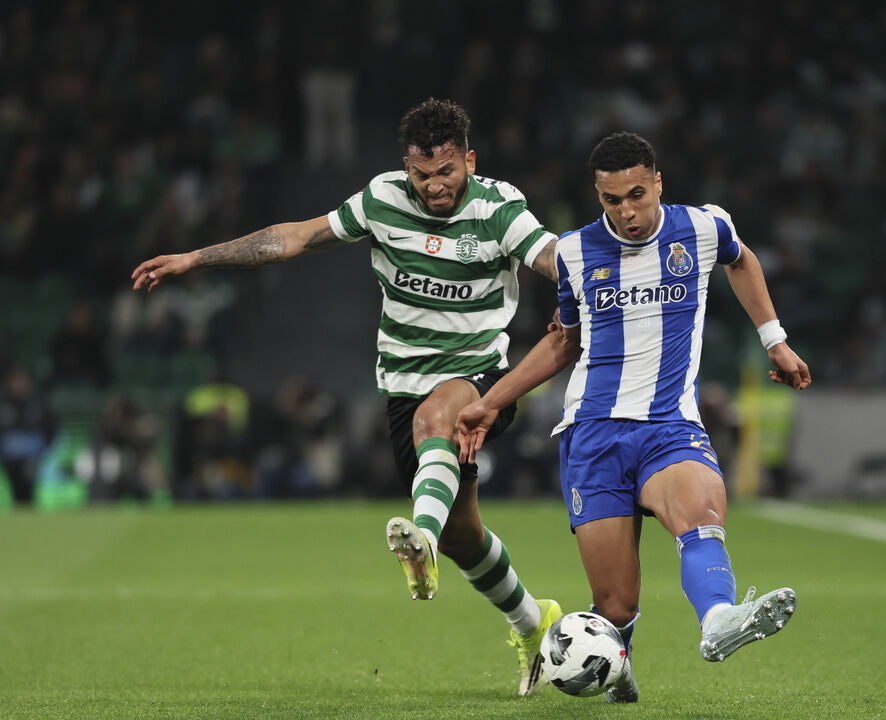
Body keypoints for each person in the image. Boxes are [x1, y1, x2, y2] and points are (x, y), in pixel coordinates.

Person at [131, 98, 563, 695]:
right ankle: (533, 622)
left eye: (446, 172)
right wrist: (195, 259)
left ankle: (421, 541)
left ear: (469, 159)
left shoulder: (498, 208)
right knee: (468, 535)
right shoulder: (383, 199)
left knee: (442, 418)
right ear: (405, 167)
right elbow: (293, 238)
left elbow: (550, 256)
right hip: (403, 389)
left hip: (480, 379)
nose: (434, 186)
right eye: (422, 174)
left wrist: (599, 280)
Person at [456, 132, 811, 703]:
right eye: (612, 200)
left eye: (637, 195)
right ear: (598, 197)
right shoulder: (573, 252)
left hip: (670, 425)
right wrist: (490, 401)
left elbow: (741, 260)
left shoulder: (701, 228)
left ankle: (719, 618)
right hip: (592, 436)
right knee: (617, 605)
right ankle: (618, 669)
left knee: (699, 512)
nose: (627, 211)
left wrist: (775, 340)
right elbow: (563, 342)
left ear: (658, 184)